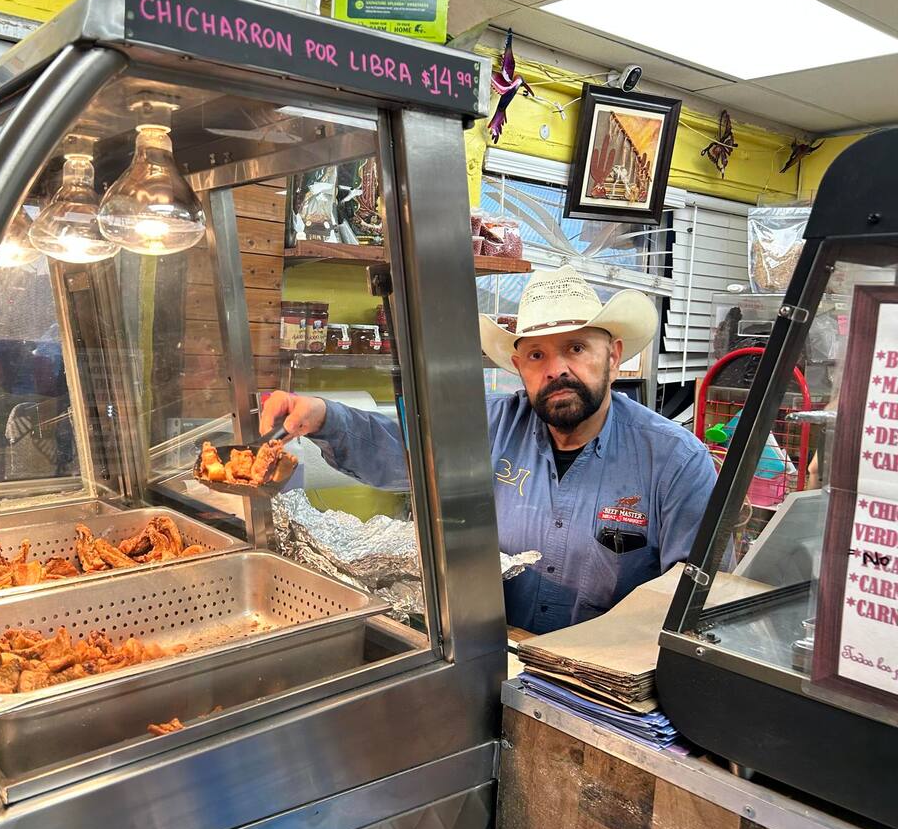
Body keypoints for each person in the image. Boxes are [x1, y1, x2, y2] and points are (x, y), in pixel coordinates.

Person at [261, 266, 717, 634]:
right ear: (519, 366)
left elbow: (697, 603)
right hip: (491, 662)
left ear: (614, 356)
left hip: (604, 696)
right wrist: (321, 415)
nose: (556, 369)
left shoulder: (676, 462)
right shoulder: (491, 425)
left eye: (576, 348)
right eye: (537, 355)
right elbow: (400, 450)